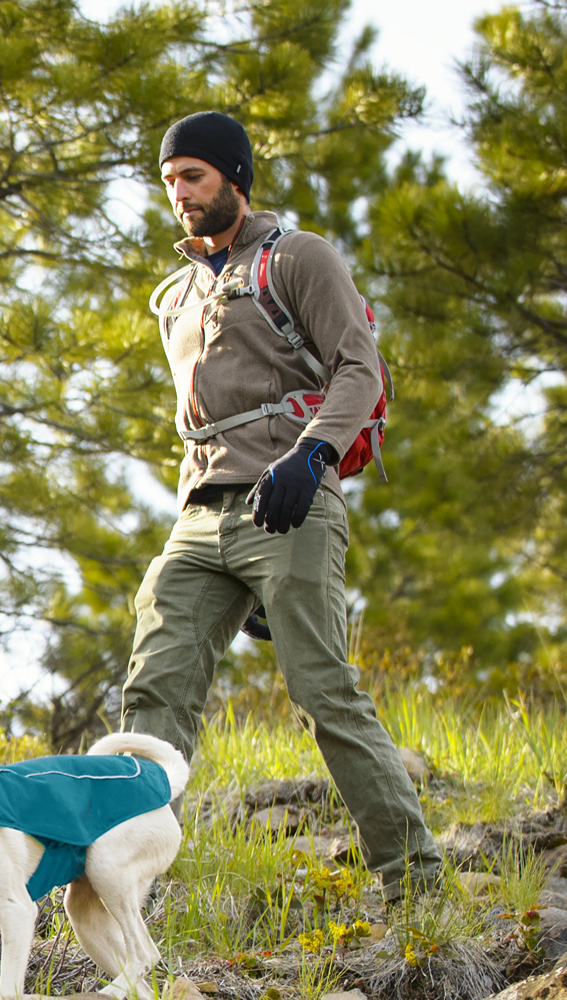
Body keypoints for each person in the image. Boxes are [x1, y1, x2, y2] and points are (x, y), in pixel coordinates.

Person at [117, 110, 442, 900]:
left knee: (323, 689)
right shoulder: (179, 292)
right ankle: (125, 882)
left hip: (289, 501)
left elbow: (357, 370)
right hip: (199, 518)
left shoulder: (297, 257)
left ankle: (414, 882)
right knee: (152, 693)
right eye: (168, 181)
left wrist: (313, 456)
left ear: (235, 176)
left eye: (193, 175)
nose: (180, 194)